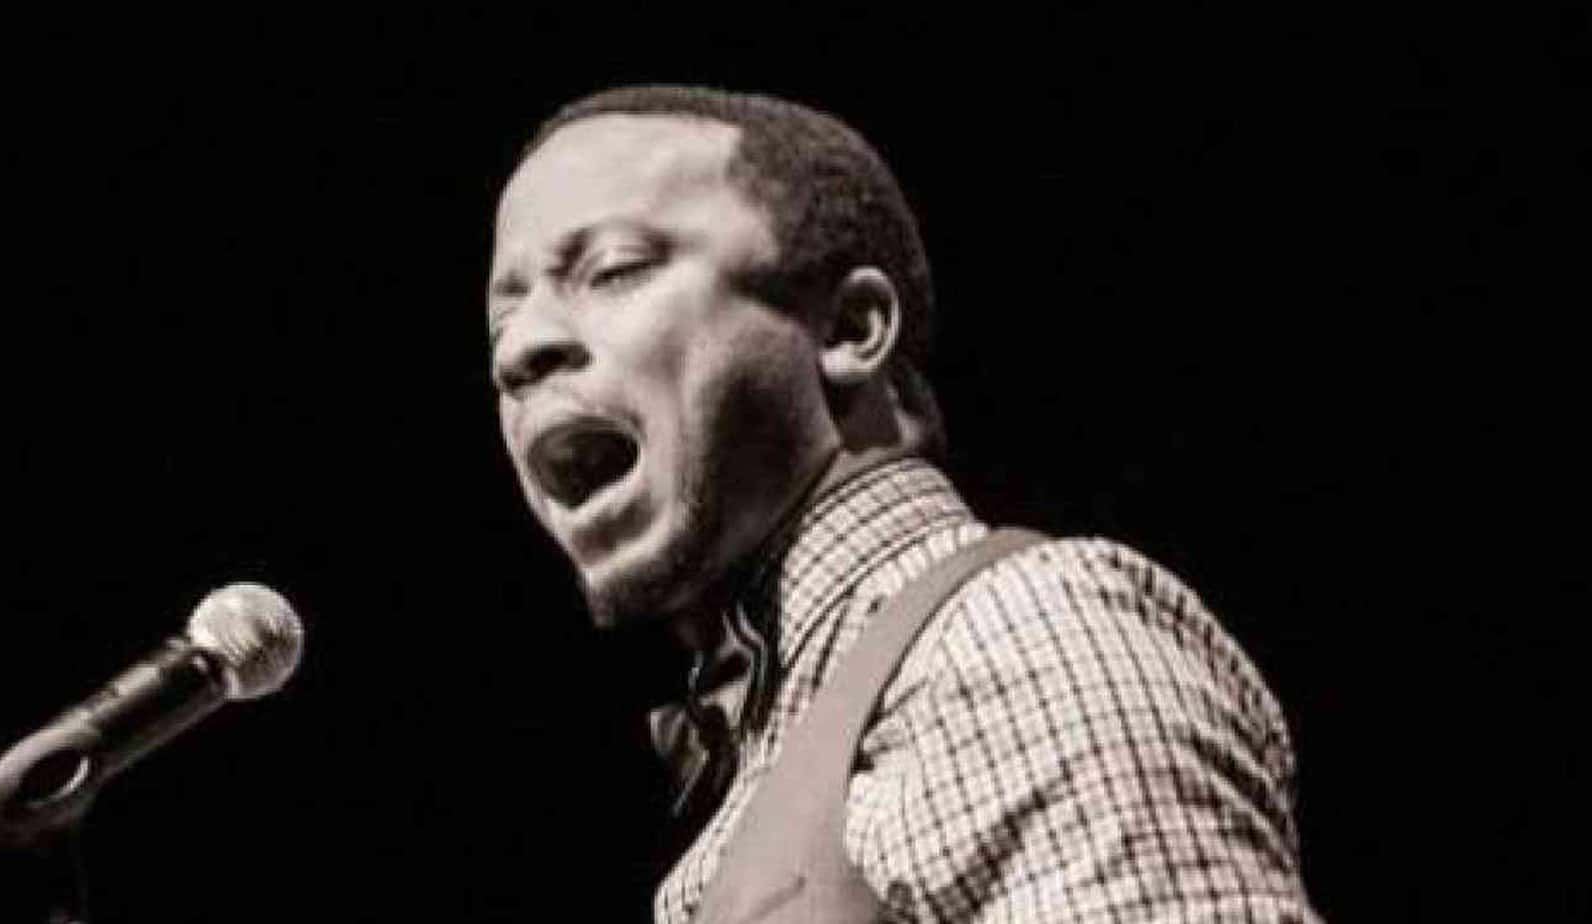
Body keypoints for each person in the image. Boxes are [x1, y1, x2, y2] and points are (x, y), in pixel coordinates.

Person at [487, 85, 1319, 923]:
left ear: (850, 329)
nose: (520, 351)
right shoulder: (795, 748)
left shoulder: (1020, 636)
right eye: (500, 327)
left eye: (615, 270)